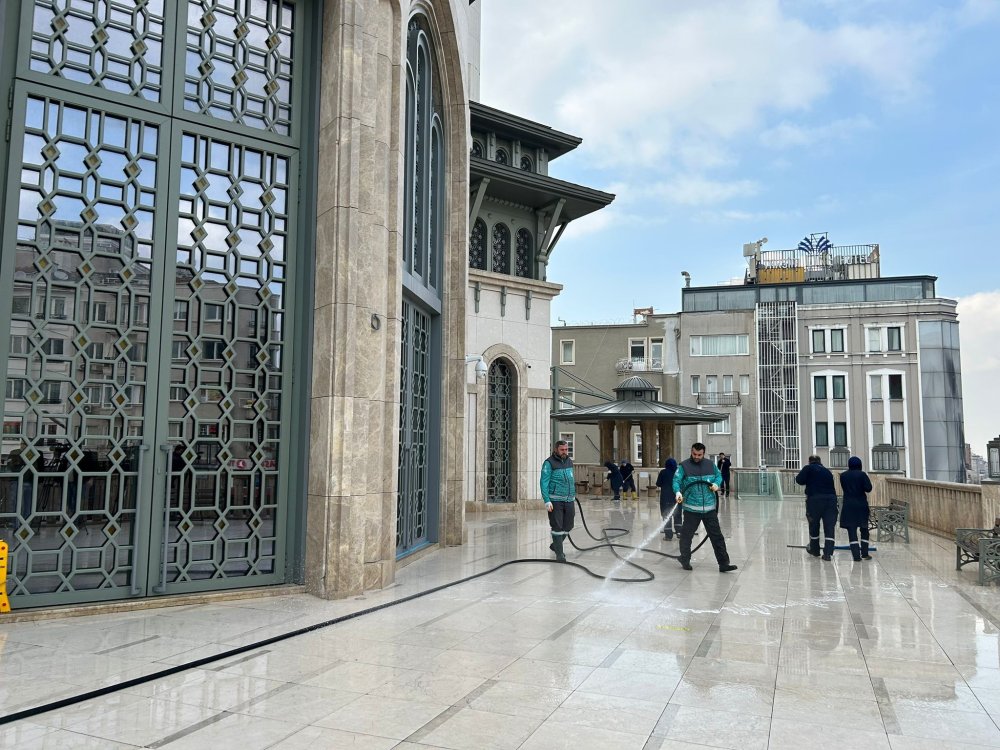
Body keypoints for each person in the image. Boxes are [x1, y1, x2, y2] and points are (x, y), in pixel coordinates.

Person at [673, 442, 737, 572]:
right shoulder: (684, 466)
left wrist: (716, 484)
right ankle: (685, 559)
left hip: (709, 509)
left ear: (703, 453)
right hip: (691, 509)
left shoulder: (710, 465)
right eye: (694, 454)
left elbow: (718, 476)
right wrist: (678, 492)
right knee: (686, 536)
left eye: (699, 454)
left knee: (717, 537)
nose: (696, 457)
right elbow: (676, 481)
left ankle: (724, 563)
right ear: (691, 452)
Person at [795, 454, 838, 560]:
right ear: (820, 462)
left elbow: (799, 480)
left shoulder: (808, 468)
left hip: (815, 501)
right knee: (829, 527)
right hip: (831, 501)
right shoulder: (827, 471)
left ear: (810, 461)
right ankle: (828, 553)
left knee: (814, 525)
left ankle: (815, 550)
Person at [541, 440, 576, 562]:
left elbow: (571, 478)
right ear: (556, 449)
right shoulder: (549, 463)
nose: (564, 452)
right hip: (555, 500)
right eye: (562, 450)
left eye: (566, 449)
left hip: (569, 499)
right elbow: (543, 482)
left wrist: (573, 493)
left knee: (569, 525)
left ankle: (556, 545)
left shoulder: (569, 461)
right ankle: (560, 555)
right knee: (557, 526)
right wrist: (547, 500)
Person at [839, 456, 873, 561]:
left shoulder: (843, 476)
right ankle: (865, 553)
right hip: (861, 505)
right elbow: (868, 488)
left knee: (852, 530)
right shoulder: (862, 475)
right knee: (864, 529)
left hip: (848, 505)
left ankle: (856, 556)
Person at [656, 457, 680, 540]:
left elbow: (658, 483)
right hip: (677, 496)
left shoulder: (663, 472)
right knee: (678, 515)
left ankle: (668, 535)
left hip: (666, 498)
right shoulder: (678, 472)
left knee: (666, 515)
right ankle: (679, 532)